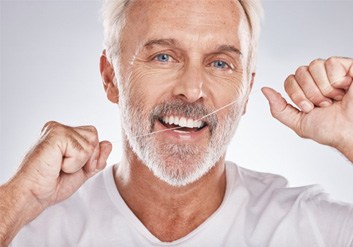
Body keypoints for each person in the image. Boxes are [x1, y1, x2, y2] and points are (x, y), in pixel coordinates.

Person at [1, 0, 353, 246]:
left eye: (219, 63)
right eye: (164, 56)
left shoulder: (312, 230)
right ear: (111, 77)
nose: (192, 90)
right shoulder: (28, 226)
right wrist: (19, 198)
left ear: (246, 90)